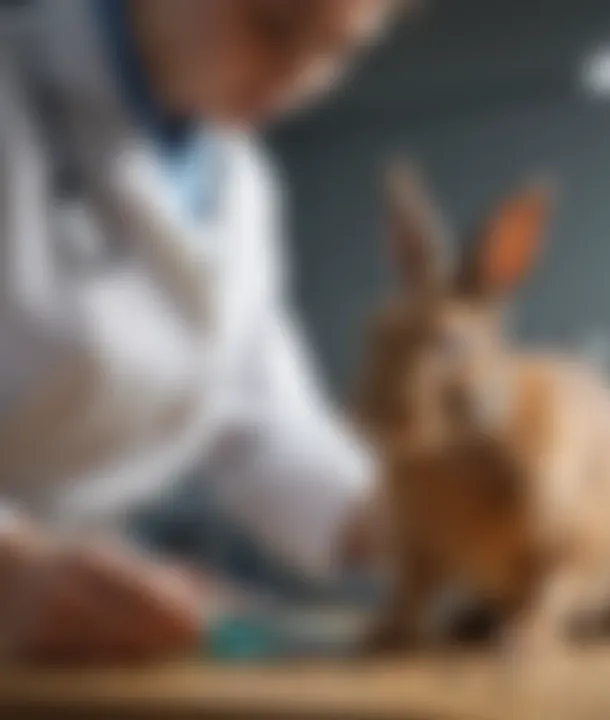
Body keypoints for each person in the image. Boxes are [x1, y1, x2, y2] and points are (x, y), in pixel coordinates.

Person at [0, 0, 406, 664]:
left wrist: (421, 526)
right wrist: (9, 569)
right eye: (275, 26)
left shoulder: (240, 184)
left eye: (338, 52)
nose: (299, 74)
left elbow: (260, 427)